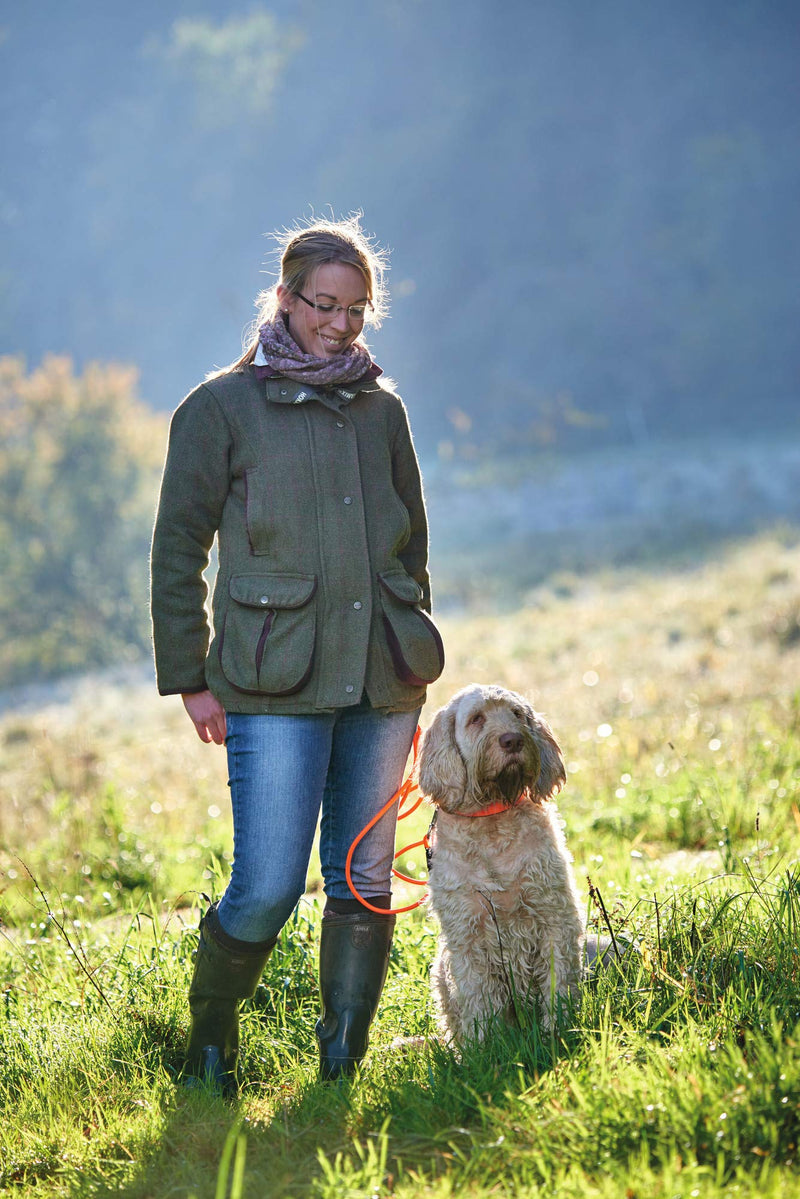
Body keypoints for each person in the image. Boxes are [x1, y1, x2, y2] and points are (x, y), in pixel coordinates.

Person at [150, 215, 443, 1094]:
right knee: (268, 883)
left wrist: (411, 637)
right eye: (324, 305)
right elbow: (176, 550)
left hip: (384, 680)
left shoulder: (381, 409)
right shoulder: (218, 409)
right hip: (269, 682)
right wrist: (191, 678)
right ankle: (209, 1041)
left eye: (357, 310)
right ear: (284, 298)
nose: (341, 325)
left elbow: (411, 545)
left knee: (363, 877)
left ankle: (342, 1058)